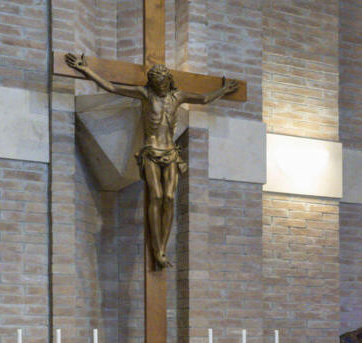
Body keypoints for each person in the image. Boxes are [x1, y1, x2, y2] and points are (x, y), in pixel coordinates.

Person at [65, 54, 239, 269]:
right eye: (157, 83)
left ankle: (162, 249)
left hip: (171, 153)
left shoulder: (178, 97)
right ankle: (157, 249)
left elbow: (203, 99)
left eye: (164, 82)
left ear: (168, 81)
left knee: (169, 197)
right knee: (156, 196)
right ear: (152, 83)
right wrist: (86, 70)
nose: (161, 86)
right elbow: (110, 87)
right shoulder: (145, 94)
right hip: (150, 151)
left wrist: (223, 90)